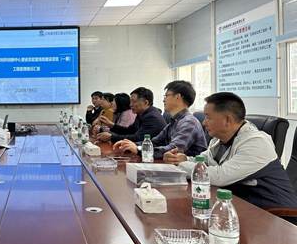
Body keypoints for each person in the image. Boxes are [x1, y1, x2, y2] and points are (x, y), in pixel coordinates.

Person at [164, 92, 297, 209]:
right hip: (240, 207)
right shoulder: (218, 140)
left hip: (276, 216)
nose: (204, 123)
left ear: (227, 120)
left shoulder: (257, 142)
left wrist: (179, 165)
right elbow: (203, 160)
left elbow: (219, 176)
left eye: (208, 117)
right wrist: (183, 158)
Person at [114, 81, 207, 159]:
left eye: (166, 96)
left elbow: (172, 150)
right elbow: (155, 142)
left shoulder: (189, 122)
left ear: (178, 97)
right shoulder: (174, 121)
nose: (163, 100)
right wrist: (130, 144)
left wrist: (138, 149)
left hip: (191, 172)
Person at [96, 87, 166, 143]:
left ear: (146, 103)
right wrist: (111, 125)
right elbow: (130, 130)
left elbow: (138, 138)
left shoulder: (152, 117)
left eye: (134, 101)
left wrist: (111, 137)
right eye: (130, 101)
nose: (130, 105)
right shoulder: (141, 113)